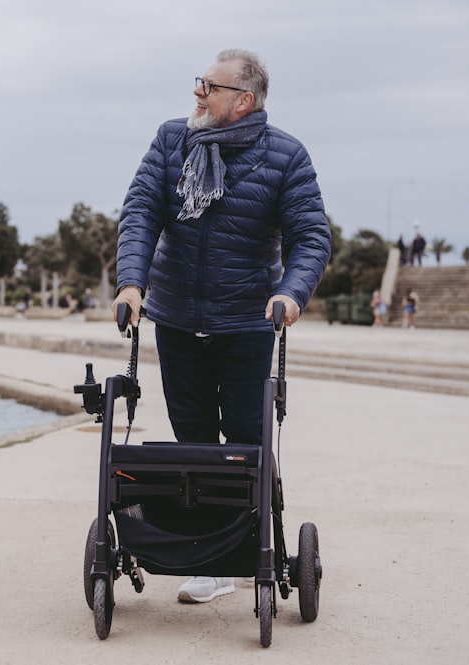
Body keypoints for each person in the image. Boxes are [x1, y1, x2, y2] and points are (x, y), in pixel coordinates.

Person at [111, 49, 331, 604]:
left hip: (246, 324)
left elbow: (310, 236)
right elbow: (141, 212)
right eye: (199, 82)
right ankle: (209, 556)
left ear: (243, 101)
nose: (197, 93)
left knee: (246, 442)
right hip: (178, 319)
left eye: (209, 86)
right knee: (193, 441)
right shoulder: (171, 140)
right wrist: (131, 282)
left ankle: (248, 548)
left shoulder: (286, 155)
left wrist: (291, 291)